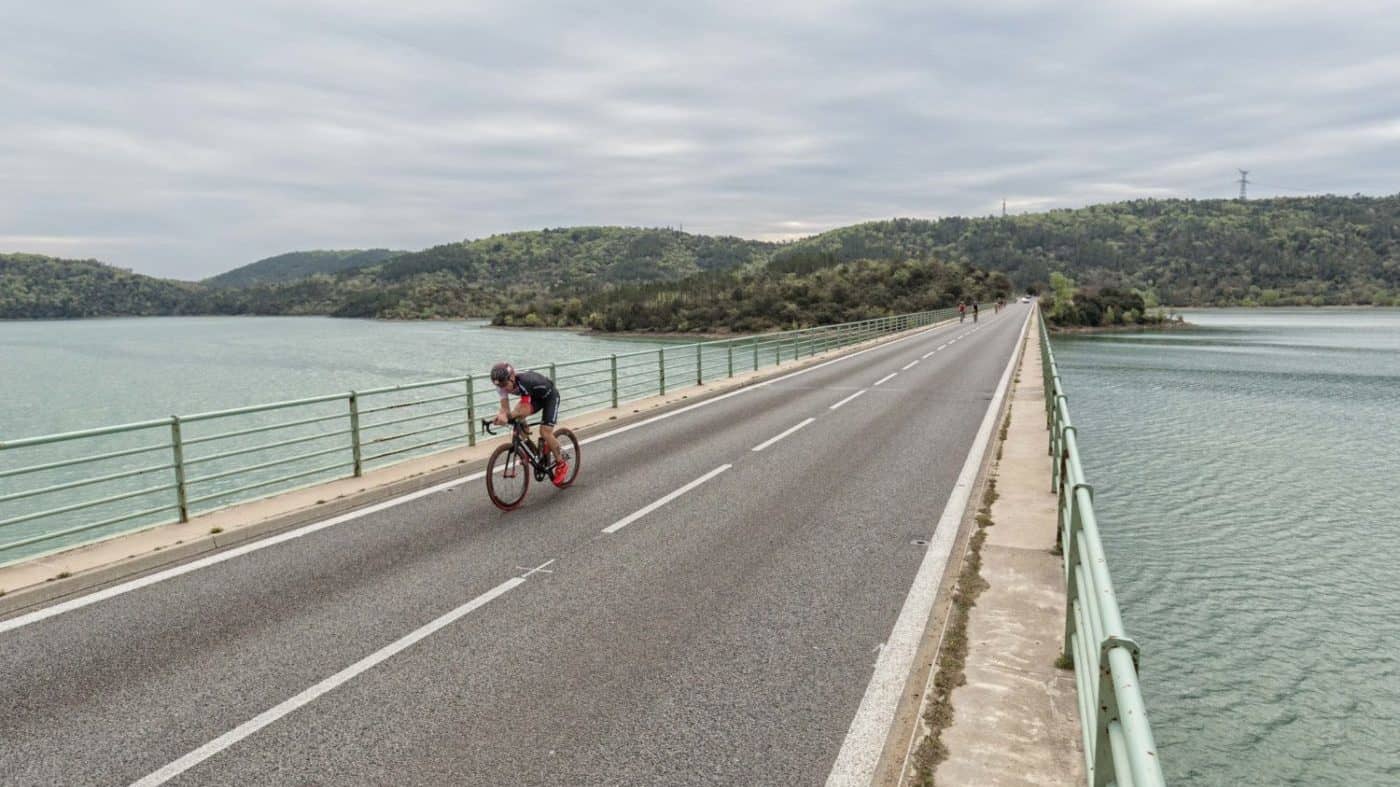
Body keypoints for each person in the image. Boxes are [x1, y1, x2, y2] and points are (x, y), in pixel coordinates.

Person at [490, 362, 568, 485]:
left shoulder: (524, 382)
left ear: (512, 377)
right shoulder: (501, 385)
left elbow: (525, 409)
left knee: (545, 432)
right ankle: (531, 452)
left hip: (550, 397)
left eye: (505, 384)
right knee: (517, 418)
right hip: (534, 397)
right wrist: (502, 416)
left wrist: (508, 416)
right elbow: (505, 409)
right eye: (501, 386)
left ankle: (561, 463)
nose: (504, 388)